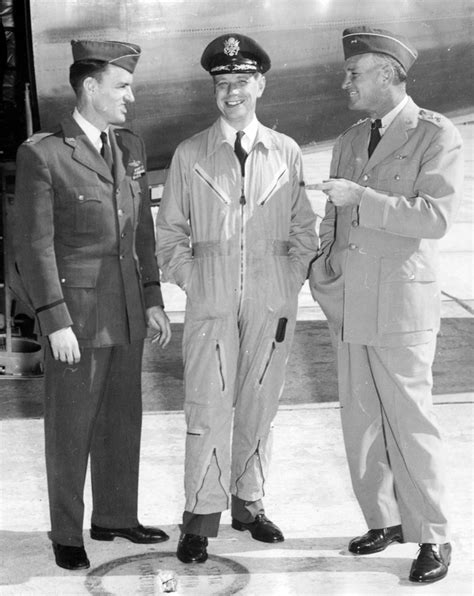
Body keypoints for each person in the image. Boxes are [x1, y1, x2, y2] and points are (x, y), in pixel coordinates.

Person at [156, 33, 318, 563]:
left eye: (241, 83)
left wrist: (286, 282)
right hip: (212, 303)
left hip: (271, 304)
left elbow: (305, 232)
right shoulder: (190, 154)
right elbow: (169, 235)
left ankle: (249, 503)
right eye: (223, 84)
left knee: (260, 403)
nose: (232, 93)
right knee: (207, 406)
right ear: (213, 91)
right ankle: (200, 518)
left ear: (261, 86)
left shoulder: (286, 152)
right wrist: (195, 282)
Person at [310, 26, 463, 584]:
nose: (344, 81)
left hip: (401, 304)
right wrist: (323, 274)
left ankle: (433, 537)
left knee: (410, 423)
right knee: (361, 418)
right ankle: (384, 520)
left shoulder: (435, 135)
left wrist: (365, 199)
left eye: (354, 73)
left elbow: (435, 217)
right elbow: (332, 220)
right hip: (351, 302)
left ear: (385, 75)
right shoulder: (351, 138)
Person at [12, 39, 172, 571]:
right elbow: (32, 246)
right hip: (76, 322)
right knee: (70, 428)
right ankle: (66, 532)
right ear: (90, 88)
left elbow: (140, 231)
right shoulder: (45, 154)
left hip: (125, 312)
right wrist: (53, 319)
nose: (132, 95)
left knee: (122, 420)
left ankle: (115, 516)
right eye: (122, 85)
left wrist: (152, 299)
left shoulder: (130, 148)